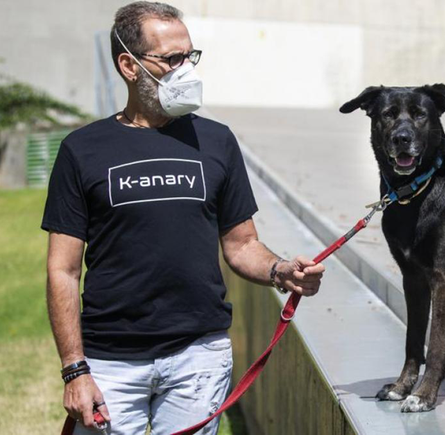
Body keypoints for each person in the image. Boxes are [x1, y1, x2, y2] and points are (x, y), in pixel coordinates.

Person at [42, 2, 325, 433]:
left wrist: (280, 269)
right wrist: (74, 370)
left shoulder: (216, 141)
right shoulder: (83, 149)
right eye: (171, 59)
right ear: (129, 65)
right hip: (111, 362)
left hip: (199, 356)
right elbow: (62, 271)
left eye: (189, 57)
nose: (185, 70)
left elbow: (241, 244)